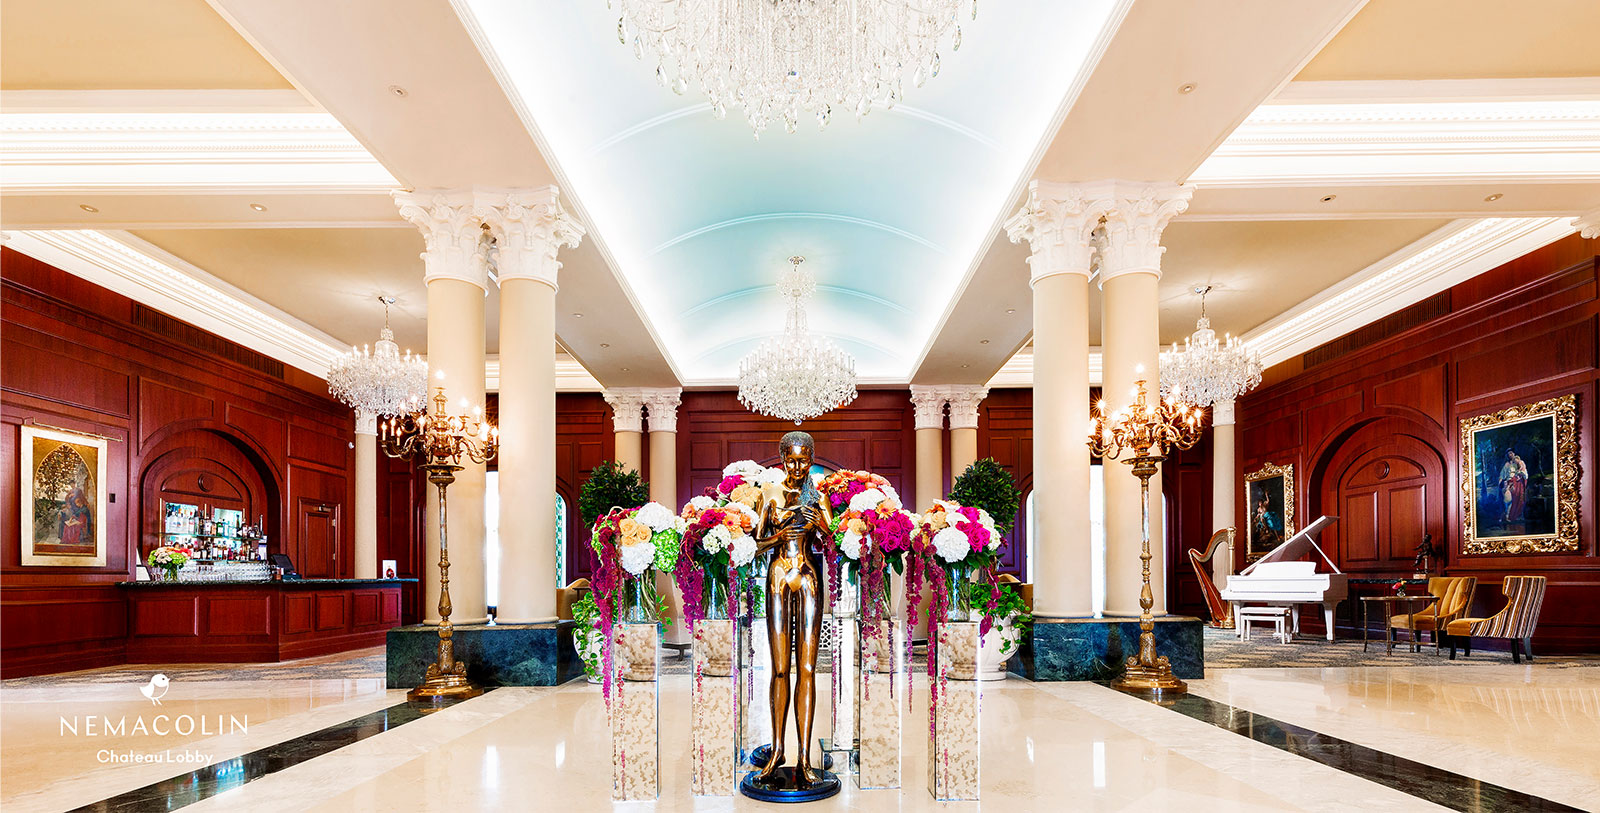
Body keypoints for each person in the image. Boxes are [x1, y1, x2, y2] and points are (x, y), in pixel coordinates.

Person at [751, 431, 833, 789]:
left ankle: (804, 756)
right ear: (781, 458)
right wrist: (777, 538)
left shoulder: (818, 495)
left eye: (804, 459)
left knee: (809, 668)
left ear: (812, 458)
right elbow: (754, 544)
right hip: (778, 574)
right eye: (791, 459)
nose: (797, 467)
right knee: (780, 668)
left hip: (808, 575)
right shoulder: (768, 494)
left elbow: (836, 543)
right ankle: (777, 752)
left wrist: (820, 523)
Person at [1498, 449, 1529, 524]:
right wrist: (1499, 483)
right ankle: (1508, 515)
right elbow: (1502, 475)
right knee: (1508, 499)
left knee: (1519, 497)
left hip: (1518, 482)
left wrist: (1521, 475)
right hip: (1509, 482)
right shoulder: (1507, 465)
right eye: (1508, 454)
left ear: (1514, 454)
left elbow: (1524, 471)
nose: (1510, 455)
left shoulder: (1519, 462)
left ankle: (1517, 516)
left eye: (1511, 453)